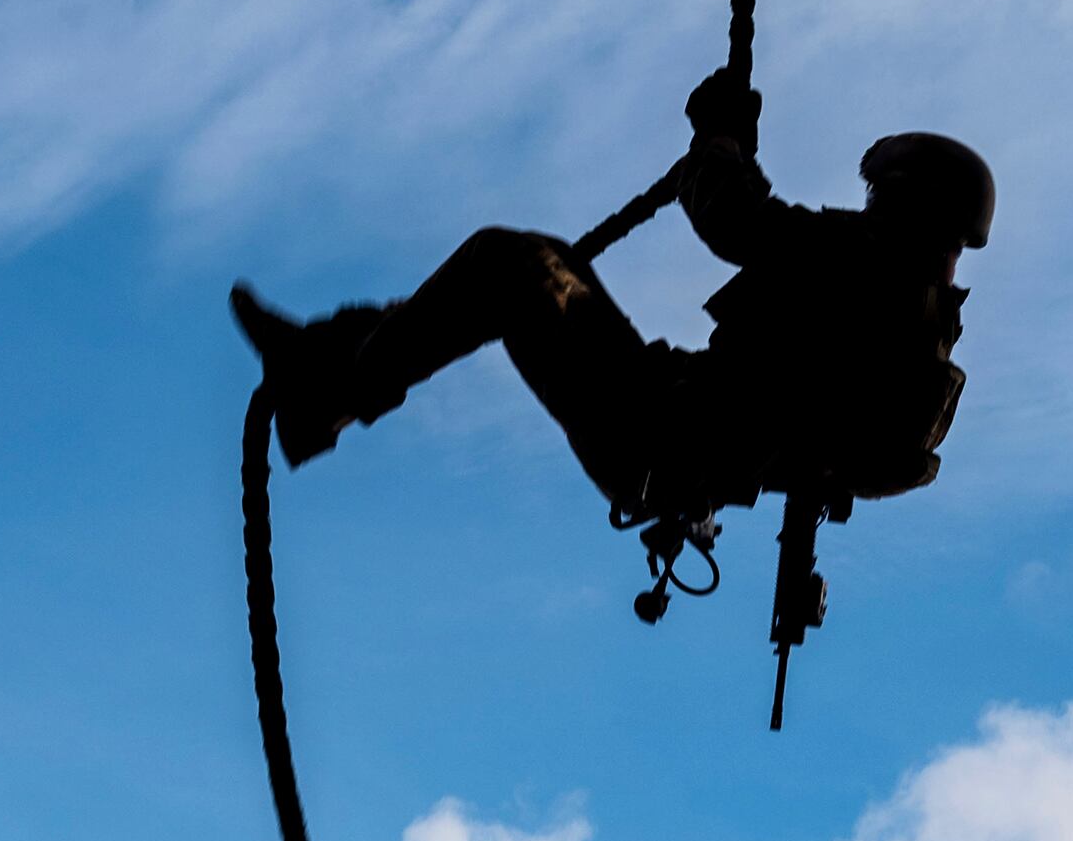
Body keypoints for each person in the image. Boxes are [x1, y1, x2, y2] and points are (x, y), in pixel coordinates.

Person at [231, 70, 993, 519]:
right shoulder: (917, 322)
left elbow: (736, 222)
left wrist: (721, 144)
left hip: (658, 431)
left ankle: (325, 389)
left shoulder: (873, 268)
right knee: (538, 267)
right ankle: (328, 365)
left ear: (904, 204)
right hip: (672, 432)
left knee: (513, 263)